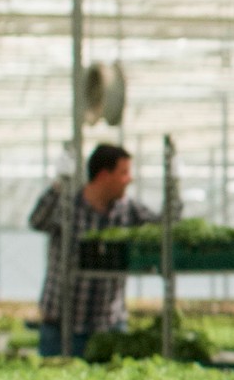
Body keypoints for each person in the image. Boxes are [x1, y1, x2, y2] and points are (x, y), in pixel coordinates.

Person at [29, 143, 157, 358]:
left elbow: (168, 227)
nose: (129, 179)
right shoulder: (68, 206)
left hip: (108, 325)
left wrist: (175, 185)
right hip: (61, 326)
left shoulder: (129, 209)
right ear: (104, 175)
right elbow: (37, 221)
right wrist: (59, 183)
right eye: (124, 173)